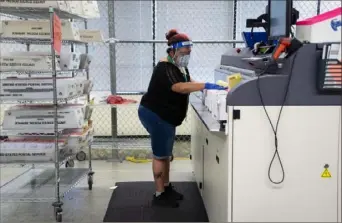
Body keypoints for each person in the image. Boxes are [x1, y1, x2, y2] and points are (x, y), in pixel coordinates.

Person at [138, 29, 227, 208]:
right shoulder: (165, 67)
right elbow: (178, 87)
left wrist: (208, 87)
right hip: (156, 115)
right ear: (172, 51)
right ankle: (159, 194)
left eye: (189, 54)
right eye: (184, 54)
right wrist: (204, 85)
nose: (187, 57)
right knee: (160, 156)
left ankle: (166, 187)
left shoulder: (179, 66)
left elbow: (188, 80)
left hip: (166, 117)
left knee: (166, 155)